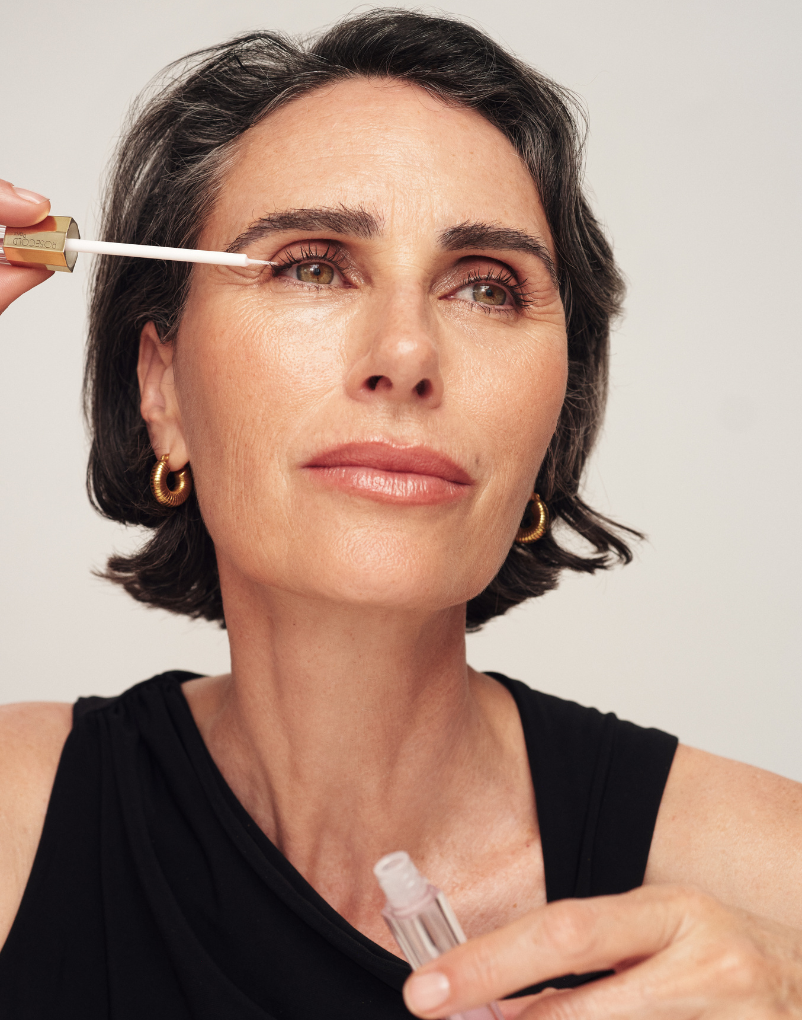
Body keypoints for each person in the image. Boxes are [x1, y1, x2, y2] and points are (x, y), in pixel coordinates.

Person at [0, 10, 801, 1019]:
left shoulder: (769, 888)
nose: (408, 354)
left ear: (555, 419)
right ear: (162, 389)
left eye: (487, 288)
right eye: (311, 266)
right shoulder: (18, 818)